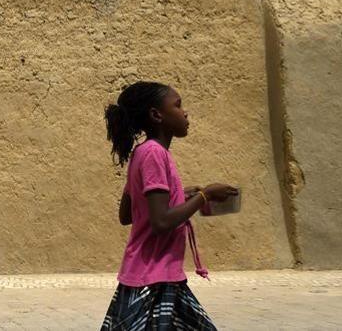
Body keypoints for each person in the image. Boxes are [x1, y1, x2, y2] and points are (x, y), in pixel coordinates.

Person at [99, 81, 238, 330]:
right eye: (178, 105)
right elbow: (161, 222)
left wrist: (178, 197)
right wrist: (204, 196)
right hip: (152, 279)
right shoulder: (155, 154)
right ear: (156, 115)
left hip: (159, 277)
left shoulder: (141, 153)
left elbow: (127, 214)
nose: (185, 112)